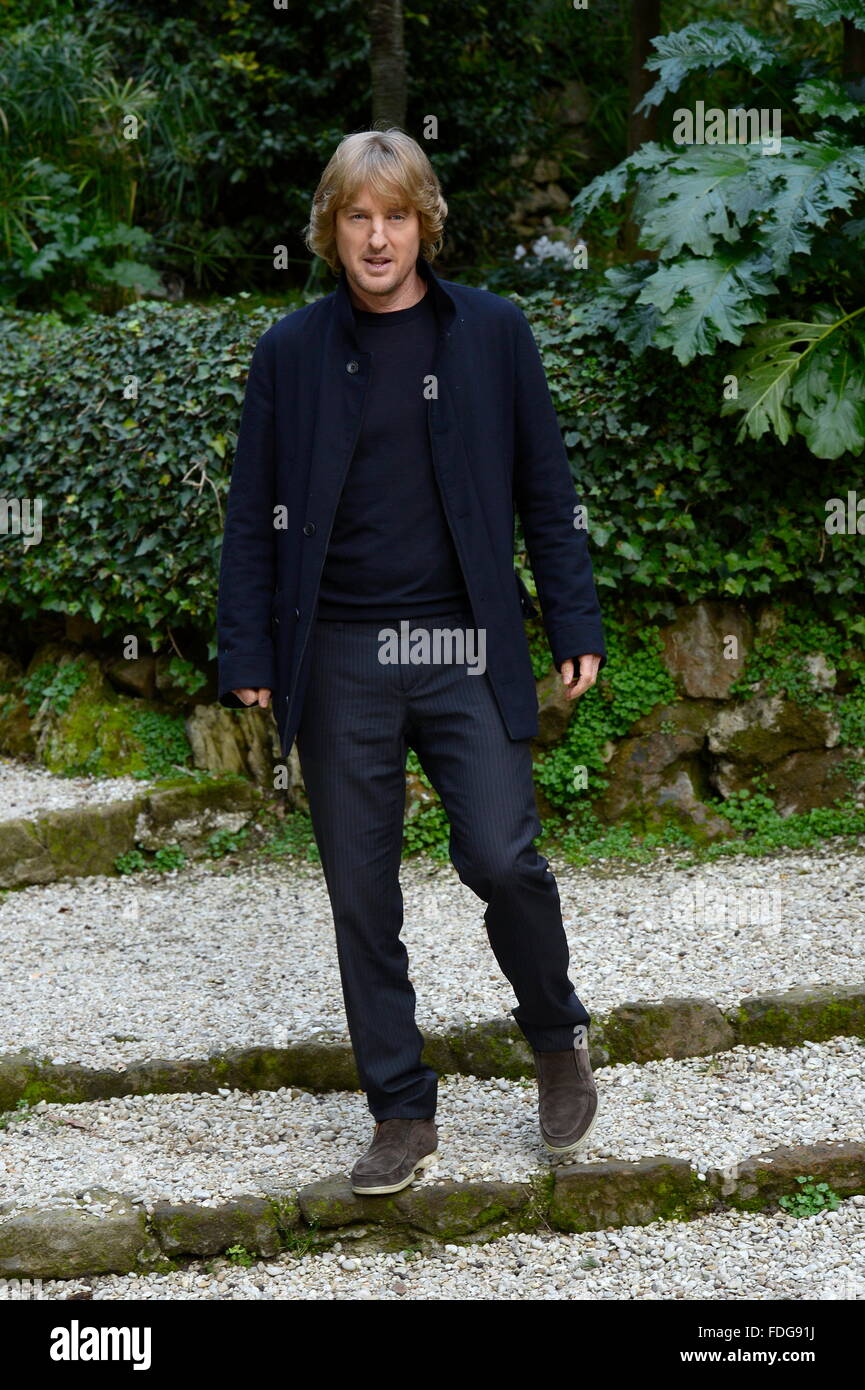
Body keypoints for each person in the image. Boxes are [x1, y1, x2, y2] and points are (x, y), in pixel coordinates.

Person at [216, 128, 607, 1196]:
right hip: (336, 651)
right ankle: (400, 1108)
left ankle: (556, 1036)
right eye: (357, 216)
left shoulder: (491, 334)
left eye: (395, 215)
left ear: (424, 222)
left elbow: (545, 491)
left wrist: (573, 621)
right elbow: (252, 514)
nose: (377, 236)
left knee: (500, 855)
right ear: (331, 230)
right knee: (360, 892)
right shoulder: (289, 353)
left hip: (459, 644)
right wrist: (246, 644)